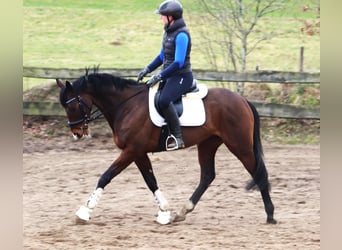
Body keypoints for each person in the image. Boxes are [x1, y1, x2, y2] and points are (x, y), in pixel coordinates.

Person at [137, 0, 193, 151]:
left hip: (182, 77)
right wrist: (147, 69)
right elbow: (163, 57)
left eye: (162, 16)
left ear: (171, 17)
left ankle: (177, 137)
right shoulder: (168, 32)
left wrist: (159, 76)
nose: (161, 18)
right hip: (169, 75)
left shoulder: (182, 35)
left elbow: (178, 62)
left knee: (164, 100)